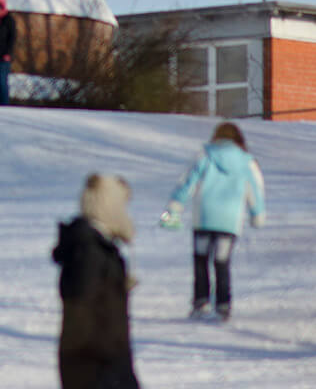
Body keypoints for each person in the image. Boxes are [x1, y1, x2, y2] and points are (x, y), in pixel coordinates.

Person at [160, 121, 265, 321]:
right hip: (229, 219)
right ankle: (223, 305)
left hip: (204, 217)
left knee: (201, 259)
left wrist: (175, 205)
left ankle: (201, 302)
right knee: (221, 261)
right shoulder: (246, 161)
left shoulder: (205, 155)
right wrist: (256, 213)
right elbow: (255, 188)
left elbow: (189, 181)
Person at [52, 173, 140, 389]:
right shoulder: (90, 250)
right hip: (96, 367)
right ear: (109, 207)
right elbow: (81, 311)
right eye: (121, 205)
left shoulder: (97, 247)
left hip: (107, 362)